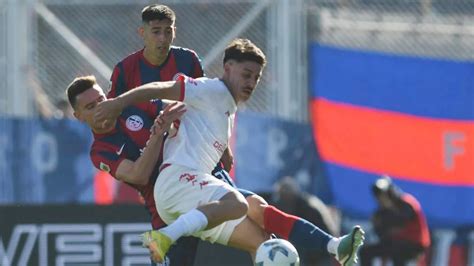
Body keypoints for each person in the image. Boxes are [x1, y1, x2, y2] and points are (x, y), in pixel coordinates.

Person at [94, 38, 365, 265]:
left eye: (256, 78)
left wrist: (222, 150)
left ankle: (334, 246)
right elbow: (161, 88)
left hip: (192, 192)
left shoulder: (226, 108)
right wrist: (119, 102)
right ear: (228, 67)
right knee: (237, 203)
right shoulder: (211, 89)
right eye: (246, 75)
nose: (251, 82)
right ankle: (165, 236)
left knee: (262, 235)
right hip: (177, 182)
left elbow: (192, 125)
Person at [360, 175, 430, 266]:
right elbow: (381, 232)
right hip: (396, 243)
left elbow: (401, 221)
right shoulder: (382, 212)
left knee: (398, 254)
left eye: (383, 195)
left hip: (415, 245)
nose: (381, 199)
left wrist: (388, 211)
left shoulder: (407, 203)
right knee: (365, 252)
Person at [272, 176, 340, 265]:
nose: (286, 199)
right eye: (283, 196)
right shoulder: (277, 207)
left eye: (288, 195)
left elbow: (326, 232)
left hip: (320, 253)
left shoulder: (310, 208)